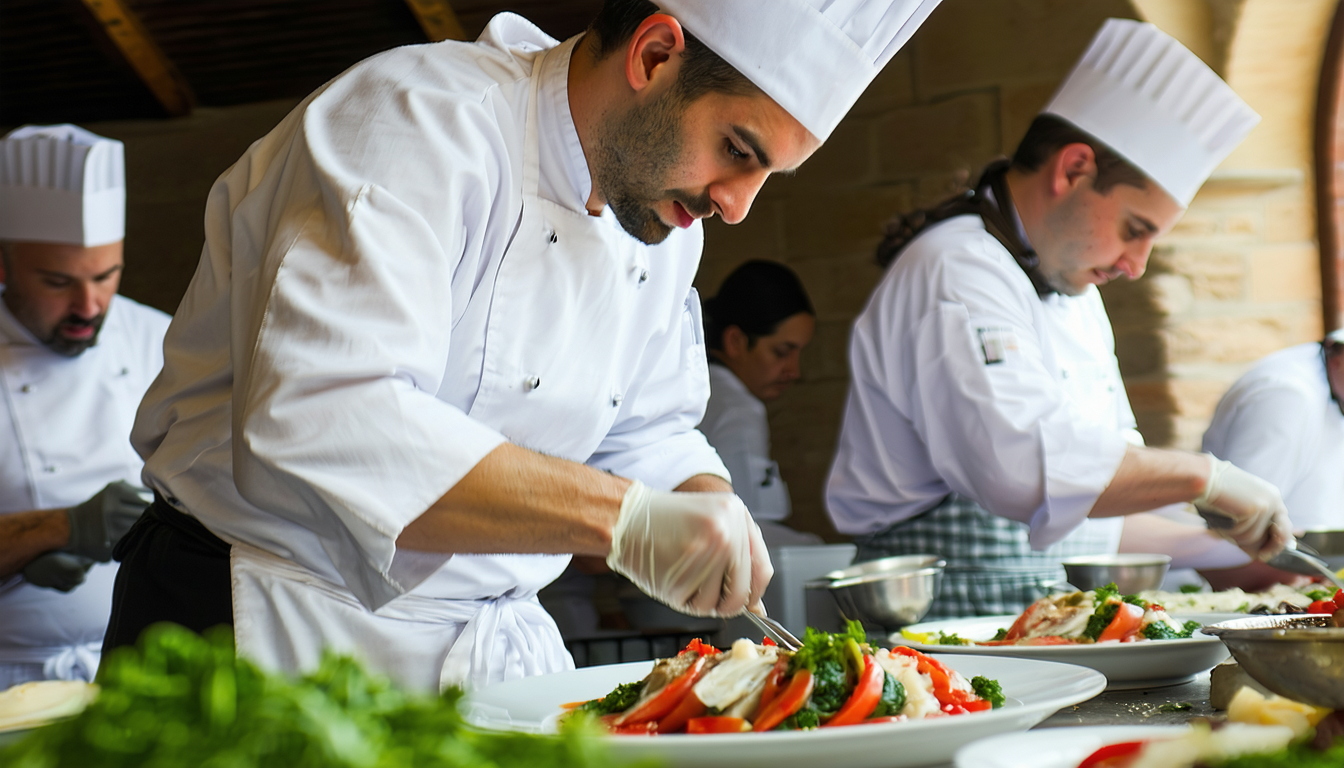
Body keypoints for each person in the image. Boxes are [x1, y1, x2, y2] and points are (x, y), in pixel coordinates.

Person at [105, 0, 944, 691]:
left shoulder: (661, 216)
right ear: (654, 54)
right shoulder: (418, 122)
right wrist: (626, 522)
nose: (738, 206)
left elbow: (646, 428)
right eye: (738, 150)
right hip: (259, 627)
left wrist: (701, 495)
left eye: (768, 174)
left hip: (486, 655)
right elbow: (323, 414)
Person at [825, 19, 1292, 619]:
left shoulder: (1074, 293)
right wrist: (1207, 477)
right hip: (935, 622)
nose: (1137, 265)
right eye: (1135, 230)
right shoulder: (956, 267)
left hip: (1031, 616)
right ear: (1073, 169)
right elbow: (1023, 469)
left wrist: (1226, 544)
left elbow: (1088, 505)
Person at [0, 124, 170, 688]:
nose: (89, 305)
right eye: (57, 282)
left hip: (140, 673)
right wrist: (58, 529)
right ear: (3, 266)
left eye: (106, 276)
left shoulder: (165, 341)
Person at [1194, 330, 1344, 590]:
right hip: (1268, 587)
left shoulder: (1332, 382)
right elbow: (1239, 527)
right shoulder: (1285, 394)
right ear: (1339, 356)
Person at [699, 259, 820, 545]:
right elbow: (749, 528)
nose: (794, 370)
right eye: (781, 352)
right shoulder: (737, 409)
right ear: (735, 342)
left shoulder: (697, 387)